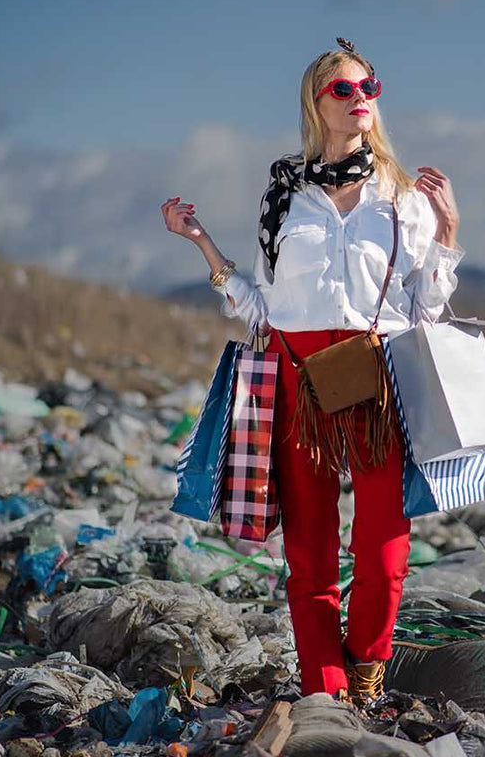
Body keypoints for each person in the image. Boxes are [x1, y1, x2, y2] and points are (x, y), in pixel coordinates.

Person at [160, 37, 465, 704]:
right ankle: (324, 687)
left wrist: (445, 232)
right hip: (297, 375)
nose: (361, 100)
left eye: (369, 88)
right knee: (309, 551)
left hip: (376, 378)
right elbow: (265, 310)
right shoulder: (284, 196)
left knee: (383, 549)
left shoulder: (403, 197)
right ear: (316, 103)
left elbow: (425, 307)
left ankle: (366, 666)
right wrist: (202, 244)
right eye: (345, 90)